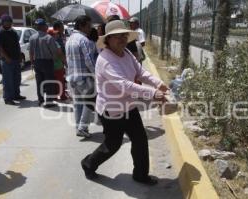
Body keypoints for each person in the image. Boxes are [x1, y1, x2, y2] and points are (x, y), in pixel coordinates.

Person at [81, 20, 169, 185]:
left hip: (129, 106)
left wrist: (158, 83)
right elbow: (124, 85)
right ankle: (88, 164)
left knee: (140, 140)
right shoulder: (105, 60)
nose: (121, 39)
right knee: (112, 145)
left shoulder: (126, 53)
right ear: (108, 39)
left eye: (124, 35)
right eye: (117, 36)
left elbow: (140, 72)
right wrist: (153, 93)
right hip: (112, 110)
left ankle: (140, 175)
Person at [65, 15, 96, 138]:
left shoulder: (69, 39)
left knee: (77, 104)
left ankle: (79, 127)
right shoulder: (84, 40)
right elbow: (89, 61)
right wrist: (96, 74)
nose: (90, 28)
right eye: (88, 26)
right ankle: (82, 127)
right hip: (84, 77)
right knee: (90, 102)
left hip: (72, 77)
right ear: (82, 26)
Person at [29, 18, 59, 108]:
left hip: (37, 62)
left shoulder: (32, 38)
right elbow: (54, 52)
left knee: (39, 82)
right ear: (43, 26)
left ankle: (40, 100)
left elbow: (31, 52)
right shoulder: (48, 38)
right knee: (49, 82)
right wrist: (54, 60)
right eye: (45, 25)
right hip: (47, 62)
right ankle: (49, 102)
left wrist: (32, 63)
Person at [0, 14, 26, 105]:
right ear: (3, 22)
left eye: (10, 21)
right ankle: (8, 98)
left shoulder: (13, 32)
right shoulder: (0, 33)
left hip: (16, 59)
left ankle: (16, 94)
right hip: (6, 61)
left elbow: (17, 45)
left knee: (17, 78)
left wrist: (20, 56)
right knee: (8, 80)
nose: (8, 23)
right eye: (6, 21)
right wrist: (7, 58)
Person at [47, 28, 67, 101]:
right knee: (60, 81)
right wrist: (65, 62)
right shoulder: (55, 43)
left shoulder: (45, 42)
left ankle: (54, 96)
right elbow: (60, 54)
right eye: (55, 34)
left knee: (53, 82)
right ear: (51, 35)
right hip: (58, 65)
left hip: (49, 66)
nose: (57, 35)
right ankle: (62, 96)